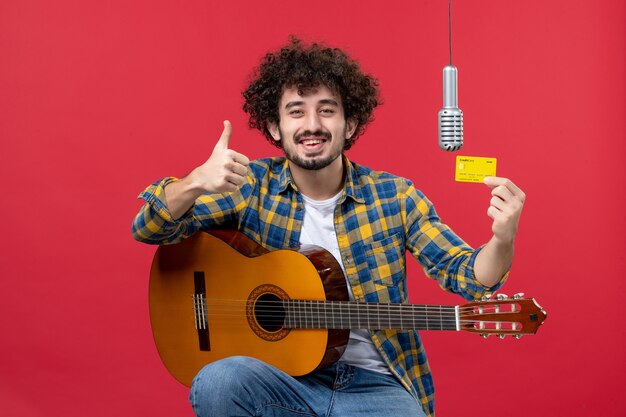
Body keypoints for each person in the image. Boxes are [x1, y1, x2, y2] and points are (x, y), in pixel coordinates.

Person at [132, 37, 525, 417]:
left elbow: (469, 279)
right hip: (281, 380)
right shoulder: (248, 186)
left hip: (375, 386)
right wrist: (195, 182)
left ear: (350, 124)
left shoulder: (395, 197)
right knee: (218, 381)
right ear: (274, 127)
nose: (312, 125)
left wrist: (502, 238)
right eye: (296, 111)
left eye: (327, 110)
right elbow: (149, 228)